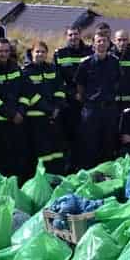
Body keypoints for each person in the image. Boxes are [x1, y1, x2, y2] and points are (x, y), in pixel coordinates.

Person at [75, 33, 121, 168]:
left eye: (104, 41)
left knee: (108, 143)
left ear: (108, 44)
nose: (101, 43)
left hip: (109, 109)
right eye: (98, 41)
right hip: (91, 110)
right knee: (90, 144)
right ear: (93, 44)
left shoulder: (114, 62)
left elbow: (118, 82)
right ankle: (90, 174)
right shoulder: (86, 63)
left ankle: (106, 175)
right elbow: (80, 85)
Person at [22, 41, 67, 173]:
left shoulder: (52, 69)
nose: (40, 54)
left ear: (47, 53)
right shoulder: (26, 71)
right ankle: (42, 177)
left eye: (43, 51)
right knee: (41, 150)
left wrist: (57, 107)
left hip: (54, 117)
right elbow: (30, 94)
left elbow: (59, 89)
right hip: (35, 118)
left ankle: (56, 174)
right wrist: (49, 109)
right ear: (32, 53)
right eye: (37, 51)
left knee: (56, 149)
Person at [0, 38, 26, 177]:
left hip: (18, 121)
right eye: (0, 51)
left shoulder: (16, 68)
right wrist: (11, 114)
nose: (3, 54)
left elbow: (24, 92)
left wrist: (21, 111)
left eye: (6, 51)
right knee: (0, 159)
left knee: (18, 158)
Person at [54, 26, 92, 170]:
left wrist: (84, 94)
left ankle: (85, 166)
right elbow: (57, 80)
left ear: (80, 35)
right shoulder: (60, 54)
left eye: (76, 34)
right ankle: (70, 167)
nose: (73, 37)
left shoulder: (89, 51)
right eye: (70, 35)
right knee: (69, 135)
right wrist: (72, 94)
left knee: (86, 135)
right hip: (69, 102)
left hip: (87, 101)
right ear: (66, 36)